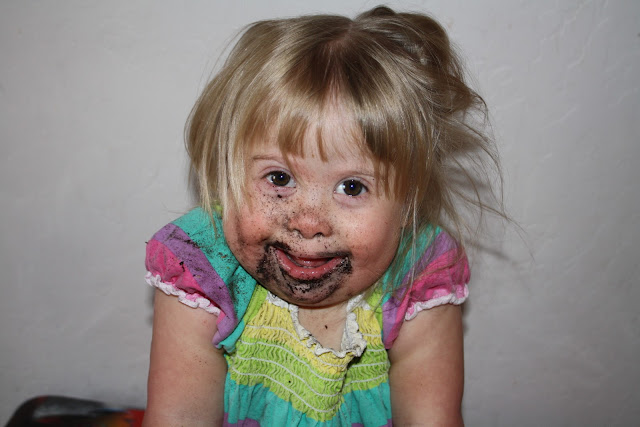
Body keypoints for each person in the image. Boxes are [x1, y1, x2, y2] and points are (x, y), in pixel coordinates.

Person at [143, 5, 501, 426]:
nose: (308, 222)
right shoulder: (201, 270)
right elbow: (179, 416)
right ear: (227, 174)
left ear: (409, 203)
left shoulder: (418, 276)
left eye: (352, 187)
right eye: (279, 178)